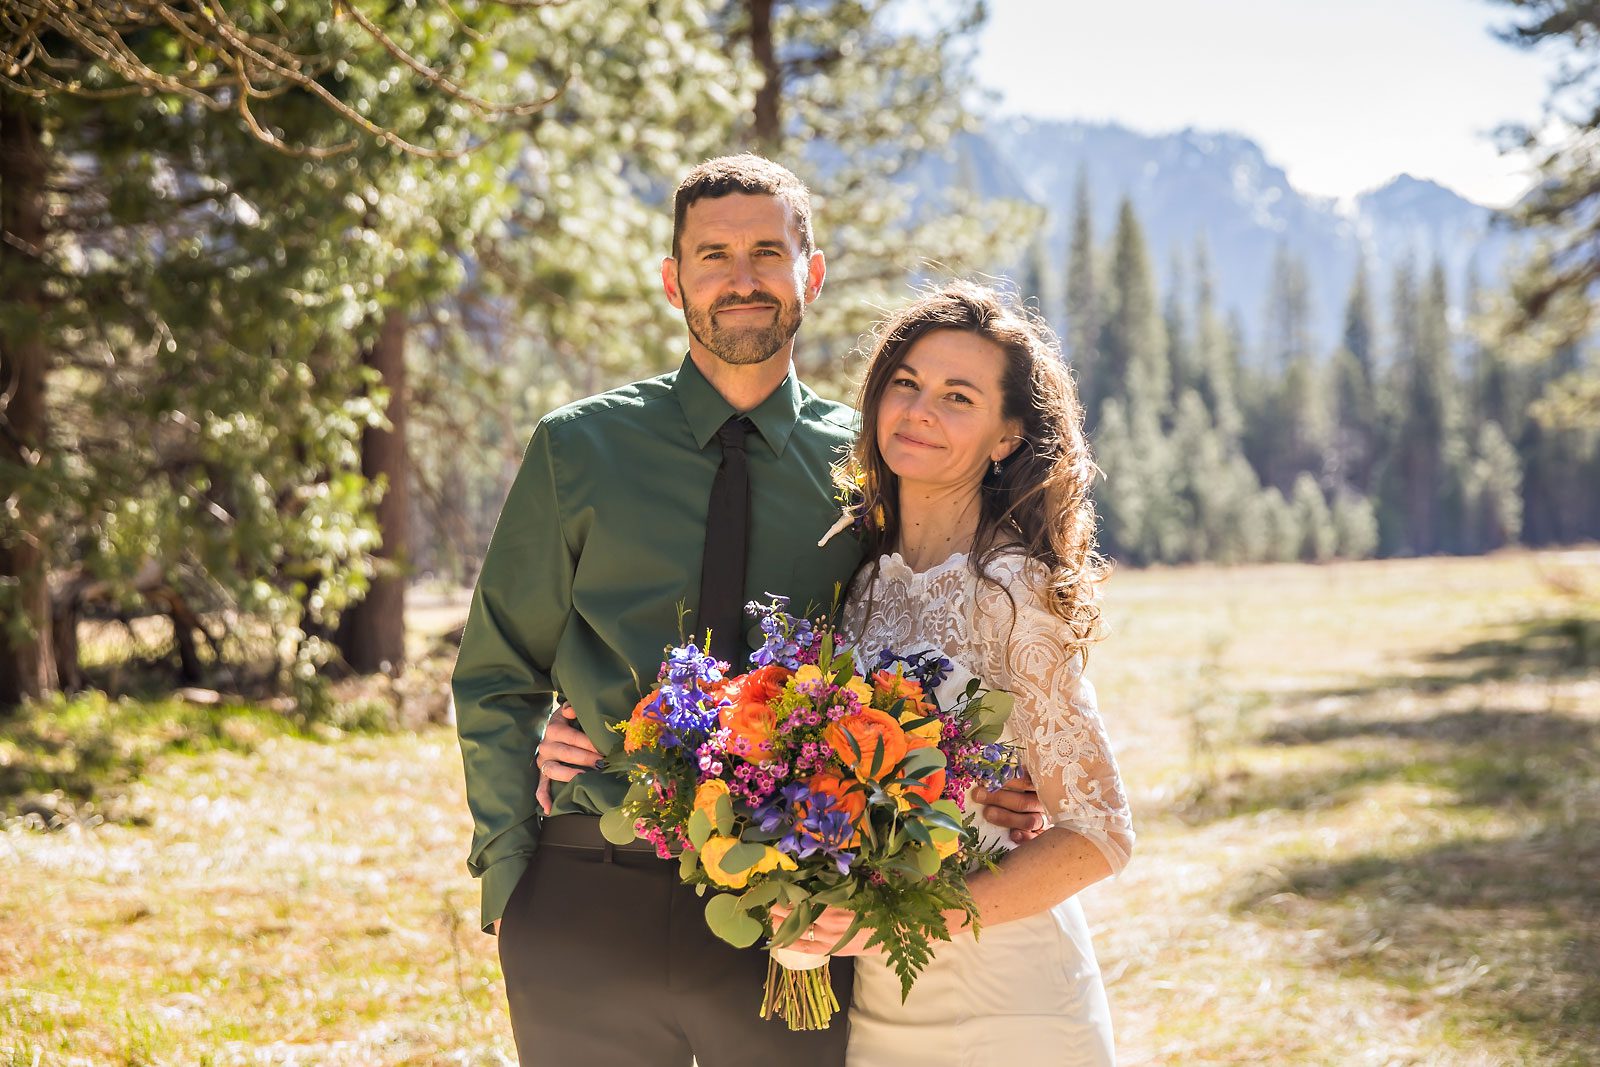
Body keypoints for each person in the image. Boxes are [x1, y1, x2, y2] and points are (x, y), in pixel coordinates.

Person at [451, 155, 1046, 1066]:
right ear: (672, 280)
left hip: (792, 913)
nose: (742, 279)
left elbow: (951, 609)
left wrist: (998, 780)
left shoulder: (874, 463)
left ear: (812, 272)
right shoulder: (577, 449)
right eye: (713, 255)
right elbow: (499, 670)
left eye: (768, 252)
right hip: (585, 893)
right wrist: (509, 880)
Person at [775, 282, 1135, 1066]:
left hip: (1011, 1006)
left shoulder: (1014, 589)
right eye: (905, 383)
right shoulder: (865, 585)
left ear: (1006, 436)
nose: (920, 410)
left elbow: (1100, 834)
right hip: (881, 1005)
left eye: (957, 396)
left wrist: (893, 922)